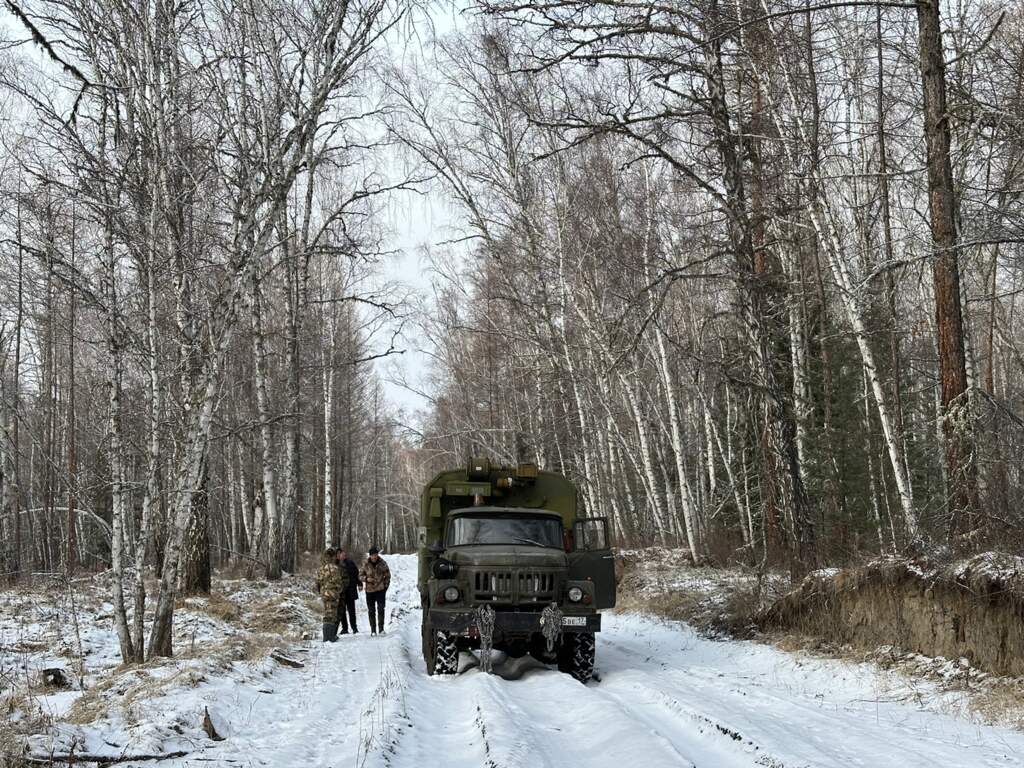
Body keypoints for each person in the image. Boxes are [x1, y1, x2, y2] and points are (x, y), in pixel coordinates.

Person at [315, 547, 348, 642]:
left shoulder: (321, 568)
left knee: (326, 614)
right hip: (333, 594)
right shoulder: (335, 568)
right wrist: (338, 591)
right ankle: (330, 636)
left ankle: (327, 636)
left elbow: (318, 582)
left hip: (324, 594)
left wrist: (321, 591)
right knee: (332, 615)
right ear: (332, 556)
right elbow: (339, 583)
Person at [359, 547, 391, 636]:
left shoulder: (382, 563)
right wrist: (366, 579)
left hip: (380, 590)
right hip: (369, 591)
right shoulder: (365, 563)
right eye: (373, 555)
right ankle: (373, 630)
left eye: (376, 555)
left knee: (381, 609)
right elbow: (360, 575)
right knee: (371, 610)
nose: (374, 557)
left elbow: (388, 575)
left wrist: (385, 586)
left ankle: (381, 629)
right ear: (370, 555)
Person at [335, 548, 361, 634]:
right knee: (341, 611)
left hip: (350, 590)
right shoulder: (335, 565)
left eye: (342, 553)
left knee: (351, 610)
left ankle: (354, 627)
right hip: (340, 591)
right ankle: (344, 628)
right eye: (339, 554)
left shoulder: (350, 563)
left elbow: (356, 574)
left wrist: (359, 583)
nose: (341, 555)